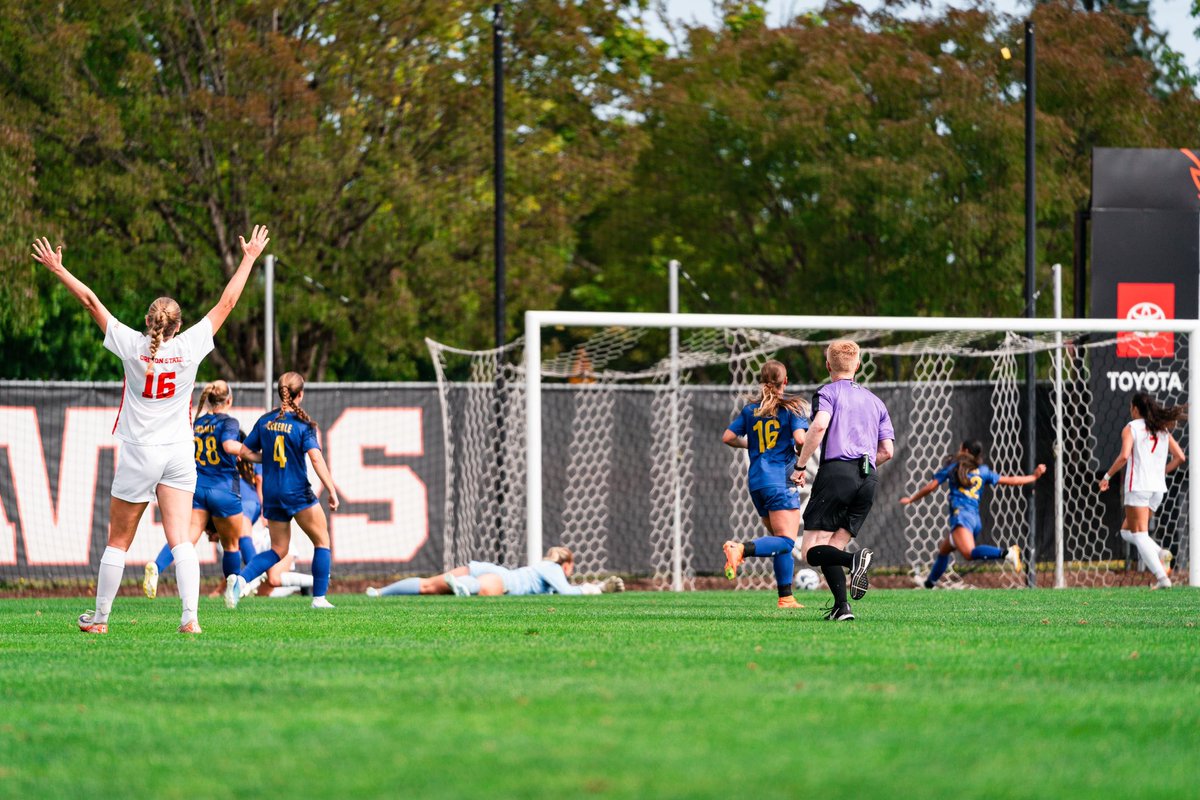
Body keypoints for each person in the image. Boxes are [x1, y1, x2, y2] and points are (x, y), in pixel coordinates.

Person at [31, 226, 270, 634]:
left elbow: (91, 302)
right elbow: (228, 302)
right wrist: (248, 257)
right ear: (178, 325)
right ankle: (190, 620)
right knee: (181, 541)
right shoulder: (189, 347)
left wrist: (58, 269)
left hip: (139, 451)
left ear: (149, 322)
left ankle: (101, 620)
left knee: (118, 542)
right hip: (179, 452)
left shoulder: (130, 344)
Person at [794, 340, 894, 621]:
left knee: (811, 551)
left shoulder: (827, 392)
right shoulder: (876, 402)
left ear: (828, 366)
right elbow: (887, 451)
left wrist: (800, 465)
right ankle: (842, 607)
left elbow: (820, 425)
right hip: (868, 478)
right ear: (858, 366)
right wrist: (864, 467)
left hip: (838, 473)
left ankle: (854, 561)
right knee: (831, 548)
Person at [225, 371, 340, 609]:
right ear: (300, 394)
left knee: (278, 549)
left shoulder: (265, 420)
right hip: (297, 492)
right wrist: (331, 490)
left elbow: (244, 452)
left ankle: (241, 580)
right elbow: (317, 460)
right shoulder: (304, 425)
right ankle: (319, 598)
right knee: (322, 540)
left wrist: (265, 459)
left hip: (272, 493)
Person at [719, 360, 810, 608]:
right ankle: (740, 549)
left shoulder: (751, 410)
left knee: (780, 540)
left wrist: (752, 444)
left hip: (757, 482)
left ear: (762, 381)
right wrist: (801, 463)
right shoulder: (793, 408)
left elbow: (728, 437)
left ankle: (786, 597)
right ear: (785, 382)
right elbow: (801, 439)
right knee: (787, 542)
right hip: (780, 480)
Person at [143, 381, 245, 599]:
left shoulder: (197, 422)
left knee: (184, 539)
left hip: (197, 488)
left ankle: (157, 566)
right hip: (223, 489)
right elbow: (228, 445)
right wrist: (251, 452)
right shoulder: (229, 422)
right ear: (229, 400)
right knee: (231, 545)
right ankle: (231, 593)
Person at [900, 440, 1045, 588]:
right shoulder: (983, 471)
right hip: (974, 520)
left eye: (960, 447)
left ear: (966, 451)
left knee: (969, 553)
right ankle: (929, 583)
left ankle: (1007, 553)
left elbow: (931, 486)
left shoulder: (954, 468)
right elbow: (1010, 480)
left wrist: (912, 499)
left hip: (961, 517)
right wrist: (1033, 477)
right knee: (945, 549)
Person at [1098, 392, 1187, 589]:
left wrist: (1106, 477)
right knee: (1126, 531)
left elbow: (1123, 457)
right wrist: (1161, 471)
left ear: (1136, 409)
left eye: (1131, 407)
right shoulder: (1161, 428)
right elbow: (1180, 456)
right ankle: (1160, 553)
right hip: (1157, 489)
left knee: (1138, 534)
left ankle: (1163, 579)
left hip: (1138, 486)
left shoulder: (1132, 428)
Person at [366, 547, 624, 597]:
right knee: (477, 586)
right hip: (503, 580)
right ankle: (465, 587)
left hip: (489, 569)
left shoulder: (541, 566)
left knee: (428, 586)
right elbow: (568, 593)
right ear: (566, 564)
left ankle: (379, 593)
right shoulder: (554, 569)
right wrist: (596, 589)